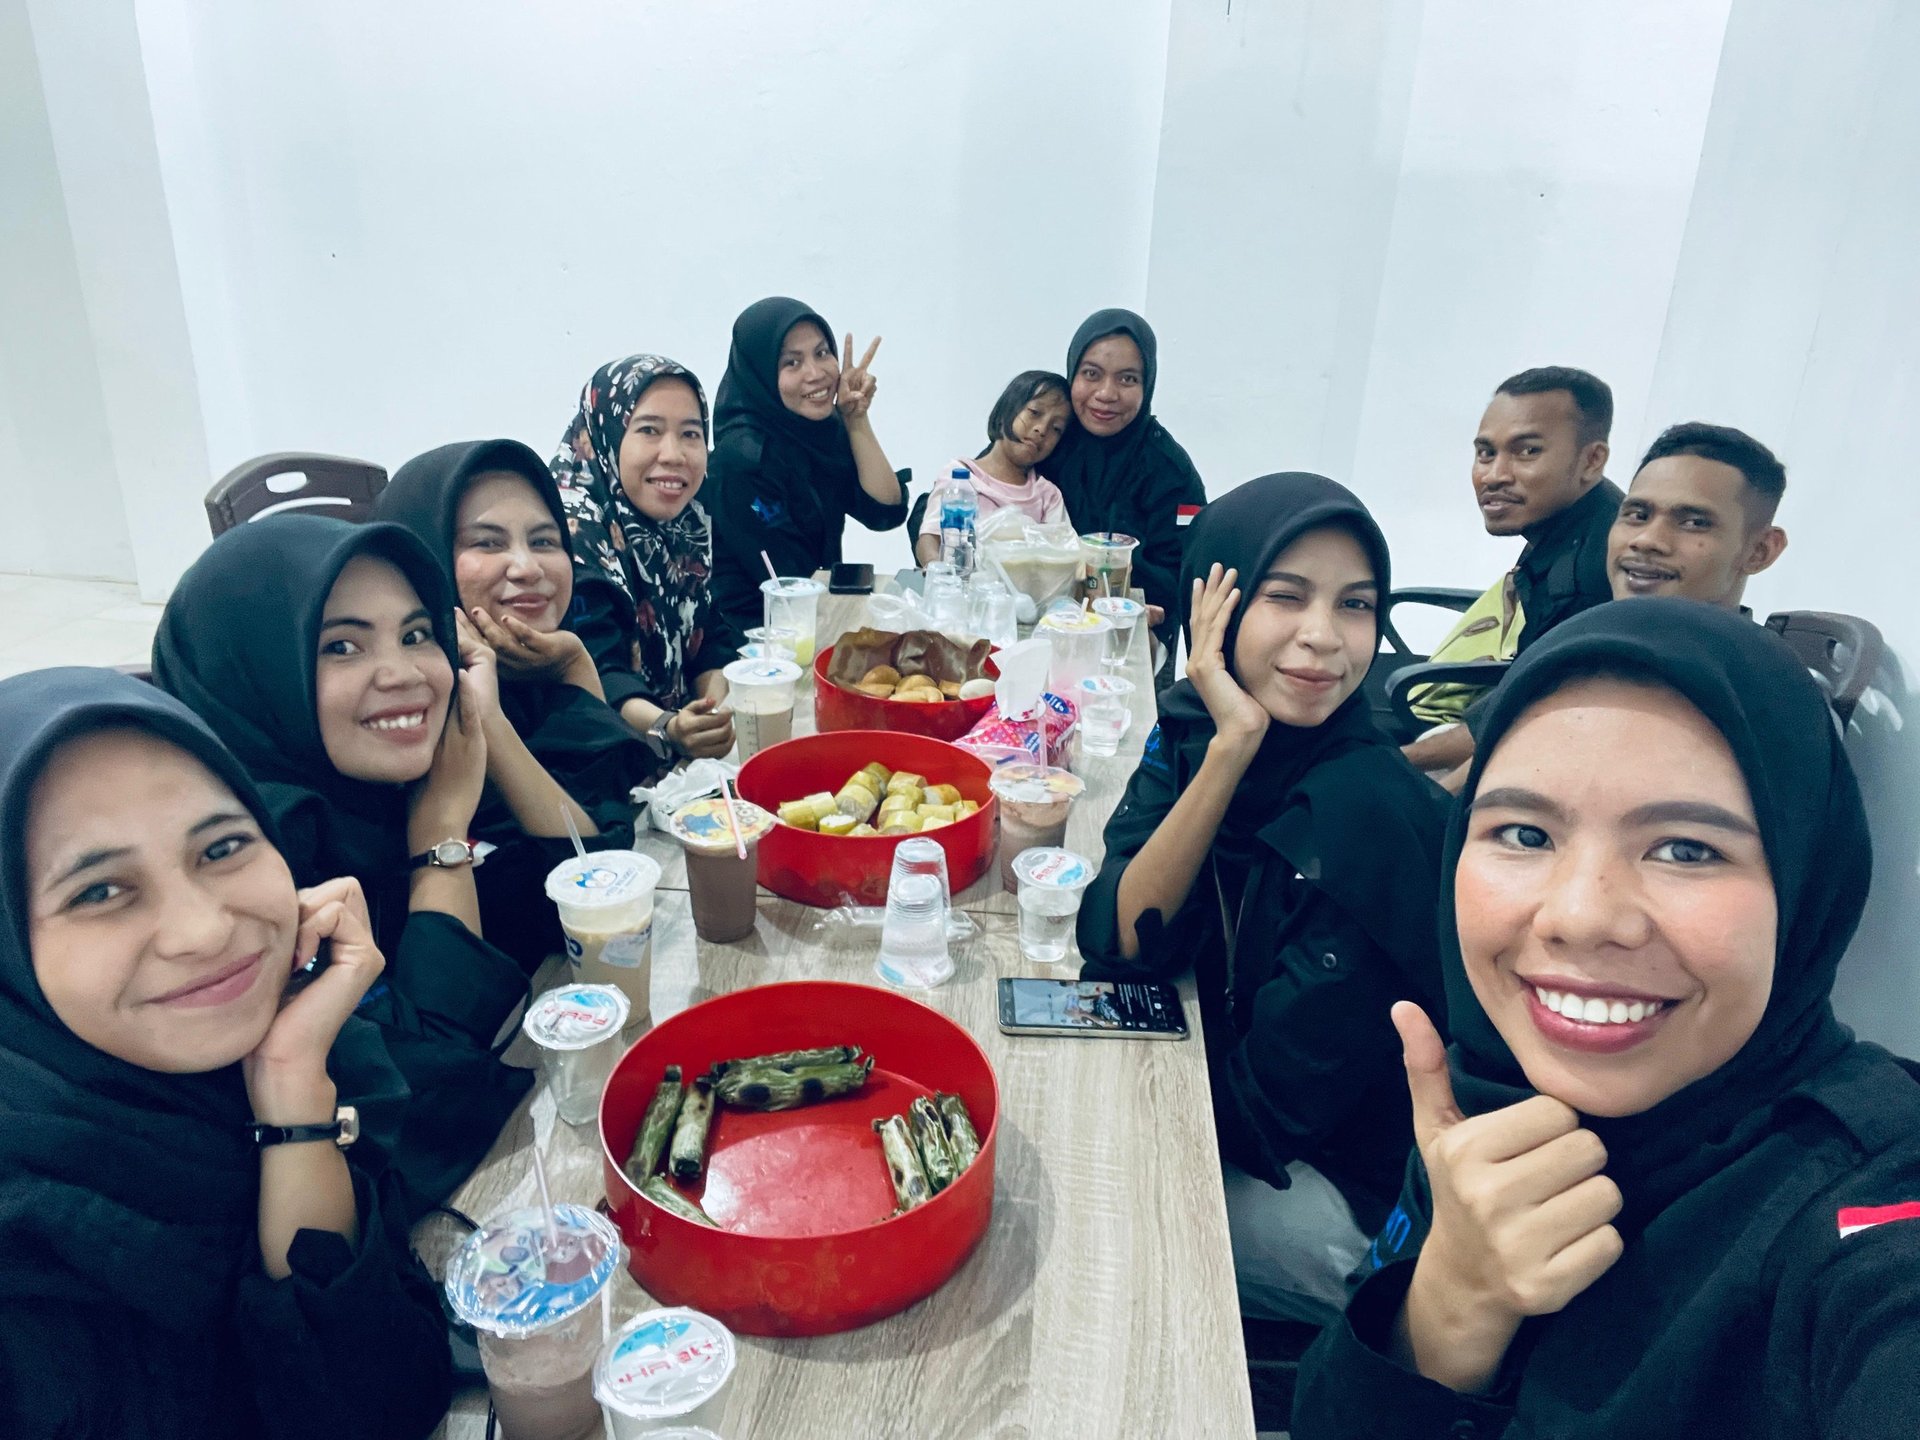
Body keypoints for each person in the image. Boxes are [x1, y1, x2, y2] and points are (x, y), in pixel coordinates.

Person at [1292, 599, 1920, 1438]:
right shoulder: (1485, 1089)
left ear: (1808, 886)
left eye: (1687, 850)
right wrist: (1448, 1305)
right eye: (1524, 833)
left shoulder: (1863, 1214)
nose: (1581, 918)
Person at [0, 667, 451, 1438]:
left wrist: (292, 1097)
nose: (204, 931)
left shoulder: (273, 1066)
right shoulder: (29, 1269)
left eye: (223, 847)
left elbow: (379, 1404)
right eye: (98, 892)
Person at [1077, 473, 1451, 1324]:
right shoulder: (1197, 728)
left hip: (1354, 1204)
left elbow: (1267, 1118)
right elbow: (1122, 936)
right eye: (1286, 596)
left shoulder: (1359, 815)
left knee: (1097, 1207)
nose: (1323, 637)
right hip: (1249, 1104)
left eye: (1356, 606)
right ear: (1217, 605)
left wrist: (1112, 1106)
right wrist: (1231, 749)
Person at [153, 515, 532, 1214]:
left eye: (416, 635)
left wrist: (497, 725)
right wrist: (441, 838)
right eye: (342, 646)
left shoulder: (379, 788)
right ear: (257, 670)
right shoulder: (247, 868)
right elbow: (433, 1096)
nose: (405, 674)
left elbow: (567, 881)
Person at [376, 437, 664, 957]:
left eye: (545, 541)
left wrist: (575, 664)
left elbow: (607, 828)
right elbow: (575, 891)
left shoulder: (532, 672)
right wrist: (485, 716)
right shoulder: (408, 715)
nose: (528, 567)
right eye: (487, 543)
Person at [1403, 368, 1621, 784]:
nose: (1494, 475)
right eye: (1486, 453)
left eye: (1527, 452)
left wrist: (1400, 766)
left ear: (1592, 461)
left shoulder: (1592, 571)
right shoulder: (1573, 524)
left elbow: (1527, 720)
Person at [546, 356, 740, 759]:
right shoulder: (566, 536)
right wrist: (669, 727)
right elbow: (595, 673)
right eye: (649, 430)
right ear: (607, 433)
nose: (674, 454)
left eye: (690, 434)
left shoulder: (687, 519)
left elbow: (708, 632)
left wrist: (710, 711)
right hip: (595, 759)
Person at [705, 297, 907, 637]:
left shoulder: (816, 429)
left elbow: (885, 513)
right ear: (760, 373)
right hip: (755, 639)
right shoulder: (742, 460)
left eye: (822, 353)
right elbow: (790, 581)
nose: (815, 374)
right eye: (792, 362)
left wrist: (856, 420)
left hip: (812, 617)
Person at [1043, 308, 1207, 668]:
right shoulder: (1047, 438)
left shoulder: (1169, 470)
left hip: (1131, 636)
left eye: (1127, 379)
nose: (1106, 393)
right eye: (1091, 374)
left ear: (1147, 385)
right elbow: (976, 485)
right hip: (1036, 623)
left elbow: (1188, 569)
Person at [1609, 422, 1788, 611]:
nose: (1646, 540)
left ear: (1759, 552)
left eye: (1694, 523)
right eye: (1638, 515)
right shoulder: (1587, 626)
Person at [913, 370, 1072, 566]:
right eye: (1034, 413)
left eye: (1056, 428)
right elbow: (930, 537)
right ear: (1005, 412)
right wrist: (936, 569)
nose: (1042, 429)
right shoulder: (961, 479)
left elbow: (1062, 556)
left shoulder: (1047, 496)